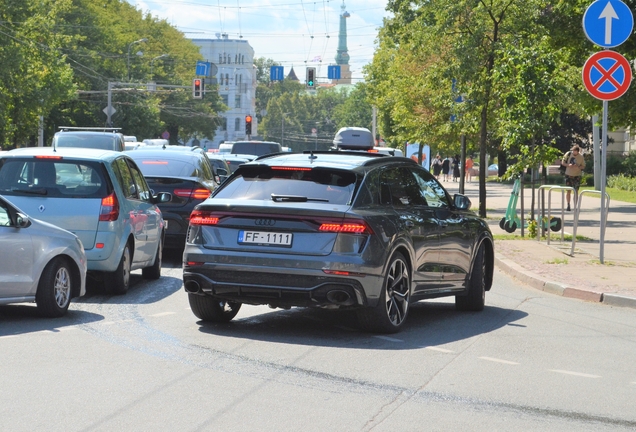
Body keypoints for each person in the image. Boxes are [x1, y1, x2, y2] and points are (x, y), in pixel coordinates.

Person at [561, 145, 585, 211]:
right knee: (568, 191)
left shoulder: (581, 157)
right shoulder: (568, 154)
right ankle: (568, 204)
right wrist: (568, 165)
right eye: (573, 151)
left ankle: (575, 206)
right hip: (568, 174)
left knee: (576, 191)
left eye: (575, 152)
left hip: (577, 175)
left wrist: (578, 167)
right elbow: (563, 162)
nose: (573, 153)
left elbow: (583, 166)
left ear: (578, 151)